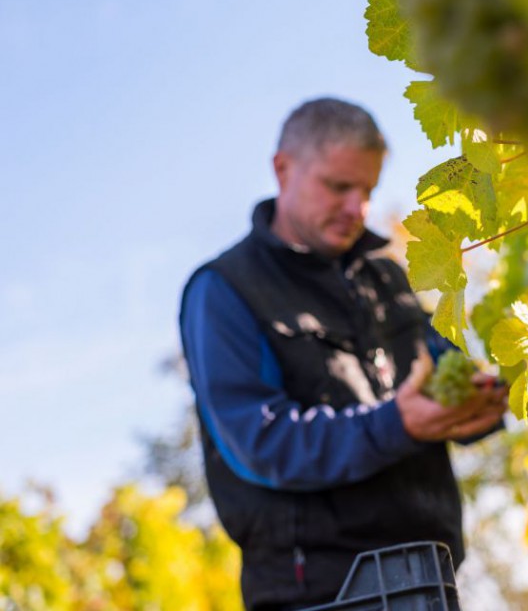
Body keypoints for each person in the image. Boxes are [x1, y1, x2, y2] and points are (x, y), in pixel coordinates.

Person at [180, 98, 507, 610]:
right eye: (339, 187)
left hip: (430, 582)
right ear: (283, 169)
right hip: (319, 595)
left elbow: (442, 370)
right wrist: (398, 425)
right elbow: (262, 442)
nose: (359, 208)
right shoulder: (225, 290)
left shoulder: (385, 276)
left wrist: (477, 404)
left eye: (369, 191)